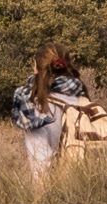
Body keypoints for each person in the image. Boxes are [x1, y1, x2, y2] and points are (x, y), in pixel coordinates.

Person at [10, 46, 96, 178]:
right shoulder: (80, 96)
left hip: (64, 190)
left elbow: (40, 169)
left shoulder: (38, 106)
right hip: (91, 181)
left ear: (37, 70)